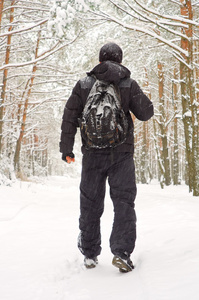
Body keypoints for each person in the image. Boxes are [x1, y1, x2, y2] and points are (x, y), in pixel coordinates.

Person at [60, 42, 154, 272]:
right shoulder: (127, 83)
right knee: (123, 202)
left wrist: (67, 150)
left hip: (92, 154)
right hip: (121, 153)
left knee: (90, 204)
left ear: (100, 60)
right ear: (119, 60)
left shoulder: (84, 84)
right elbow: (146, 113)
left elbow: (69, 117)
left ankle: (90, 254)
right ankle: (121, 252)